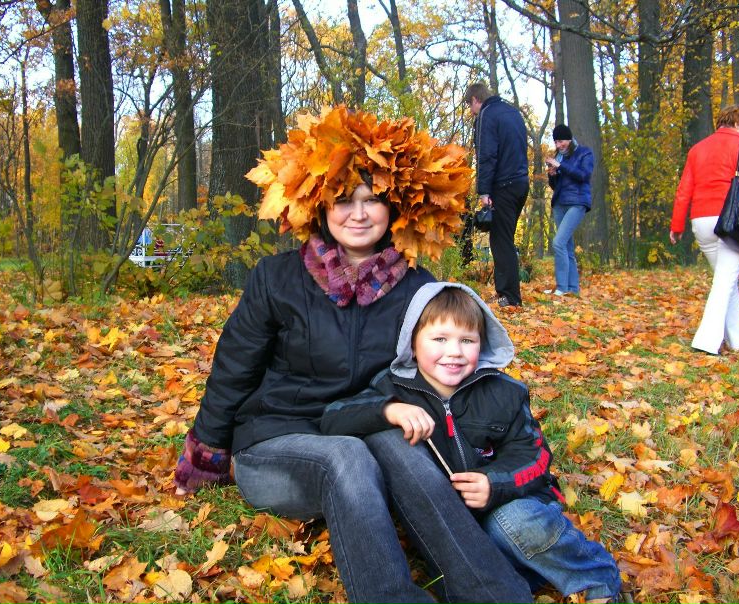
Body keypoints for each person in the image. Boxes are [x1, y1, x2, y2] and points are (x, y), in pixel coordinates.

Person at [173, 106, 533, 604]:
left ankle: (494, 593)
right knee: (348, 453)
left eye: (373, 200)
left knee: (385, 445)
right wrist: (207, 454)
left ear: (396, 208)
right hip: (277, 442)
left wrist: (492, 461)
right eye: (343, 199)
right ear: (318, 205)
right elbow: (234, 367)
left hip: (371, 432)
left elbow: (447, 376)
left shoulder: (418, 290)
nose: (358, 214)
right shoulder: (276, 278)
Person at [322, 282, 623, 603]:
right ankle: (524, 574)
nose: (454, 352)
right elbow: (333, 417)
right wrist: (388, 409)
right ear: (413, 341)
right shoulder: (392, 387)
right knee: (470, 555)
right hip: (453, 523)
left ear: (482, 343)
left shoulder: (503, 392)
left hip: (510, 503)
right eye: (439, 339)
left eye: (467, 340)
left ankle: (595, 577)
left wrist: (495, 483)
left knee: (514, 524)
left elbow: (535, 456)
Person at [670, 105, 739, 355]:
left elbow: (684, 189)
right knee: (723, 283)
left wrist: (677, 225)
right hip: (731, 223)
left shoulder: (697, 149)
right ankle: (706, 341)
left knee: (726, 281)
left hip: (701, 222)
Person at [464, 82, 529, 308]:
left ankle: (509, 297)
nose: (471, 112)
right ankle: (509, 292)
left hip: (504, 184)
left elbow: (487, 155)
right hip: (521, 182)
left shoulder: (487, 115)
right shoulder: (512, 112)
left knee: (500, 241)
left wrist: (484, 190)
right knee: (506, 239)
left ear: (475, 100)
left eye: (470, 106)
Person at [544, 124, 594, 296]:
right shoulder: (559, 156)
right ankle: (573, 289)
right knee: (567, 246)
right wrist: (552, 176)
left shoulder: (584, 153)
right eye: (556, 142)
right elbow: (556, 186)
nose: (559, 145)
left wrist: (561, 166)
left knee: (558, 242)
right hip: (560, 203)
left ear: (569, 139)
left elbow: (584, 175)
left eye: (561, 141)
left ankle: (561, 288)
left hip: (577, 202)